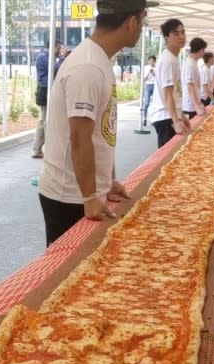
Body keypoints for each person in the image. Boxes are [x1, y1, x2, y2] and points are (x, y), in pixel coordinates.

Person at [37, 0, 158, 246]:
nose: (141, 27)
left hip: (81, 192)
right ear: (132, 22)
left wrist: (108, 181)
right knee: (68, 275)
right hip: (70, 196)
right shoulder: (88, 67)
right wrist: (90, 196)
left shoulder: (98, 60)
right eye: (142, 21)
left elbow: (103, 131)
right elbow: (80, 138)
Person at [149, 19, 191, 148]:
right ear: (167, 37)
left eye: (183, 32)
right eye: (176, 34)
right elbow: (167, 95)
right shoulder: (168, 60)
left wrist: (181, 115)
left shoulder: (172, 58)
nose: (181, 36)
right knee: (167, 160)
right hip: (165, 117)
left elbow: (175, 93)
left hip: (169, 116)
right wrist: (176, 120)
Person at [31, 41, 66, 159]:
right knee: (44, 120)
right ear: (53, 47)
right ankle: (37, 149)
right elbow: (55, 71)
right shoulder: (43, 58)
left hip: (47, 90)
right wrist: (62, 57)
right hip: (45, 91)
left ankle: (38, 149)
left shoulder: (45, 57)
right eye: (59, 48)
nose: (59, 51)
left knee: (45, 119)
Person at [182, 37, 208, 119]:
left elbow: (195, 86)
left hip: (193, 104)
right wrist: (197, 106)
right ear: (200, 50)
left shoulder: (193, 63)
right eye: (204, 50)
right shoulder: (190, 64)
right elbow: (190, 87)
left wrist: (199, 103)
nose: (204, 52)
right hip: (190, 106)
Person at [141, 55, 157, 126]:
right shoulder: (146, 68)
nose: (151, 63)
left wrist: (153, 73)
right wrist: (148, 73)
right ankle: (144, 119)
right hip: (147, 86)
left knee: (154, 104)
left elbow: (158, 79)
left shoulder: (157, 68)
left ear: (155, 61)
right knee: (146, 103)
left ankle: (153, 119)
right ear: (148, 61)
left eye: (153, 61)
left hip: (155, 86)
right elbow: (143, 79)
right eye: (150, 61)